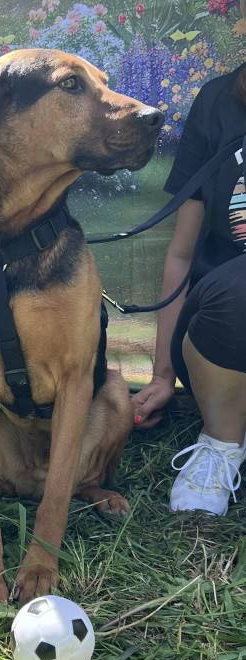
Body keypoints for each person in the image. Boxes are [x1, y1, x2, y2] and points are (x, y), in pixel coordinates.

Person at [131, 53, 246, 517]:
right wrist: (163, 375)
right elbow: (181, 254)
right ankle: (221, 443)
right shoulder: (219, 101)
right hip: (224, 329)